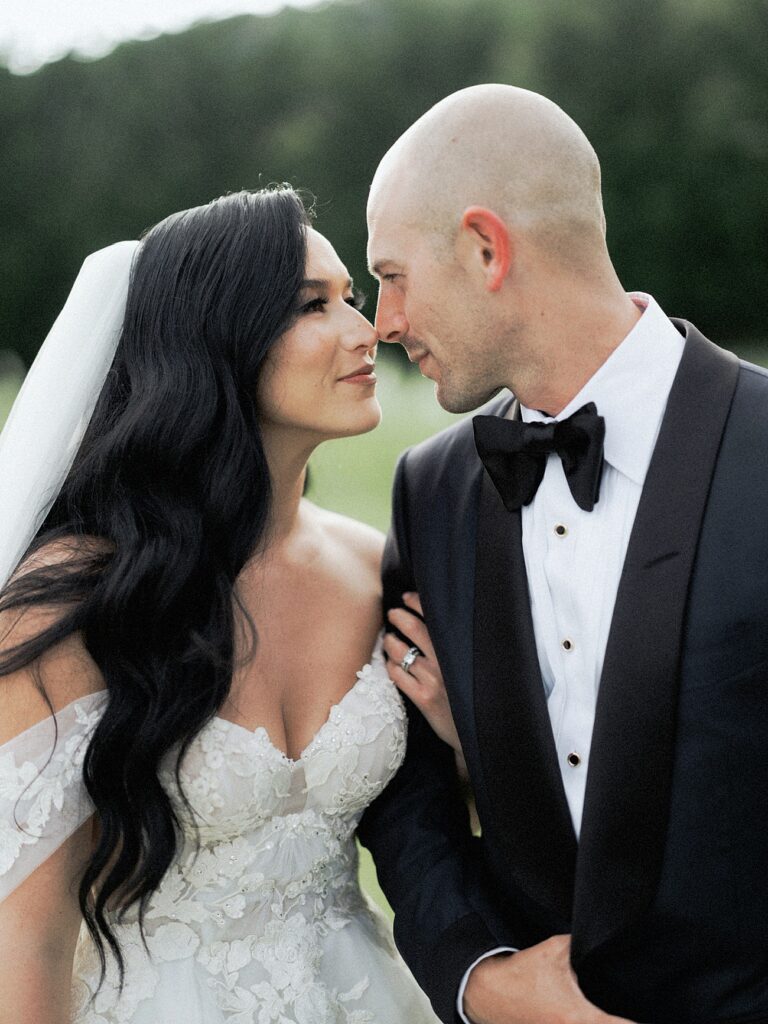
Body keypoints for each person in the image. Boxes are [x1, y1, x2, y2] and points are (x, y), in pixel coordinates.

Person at [358, 84, 768, 1024]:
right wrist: (479, 977)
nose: (382, 321)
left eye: (393, 275)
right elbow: (408, 798)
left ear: (486, 249)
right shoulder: (432, 489)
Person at [0, 187, 441, 1024]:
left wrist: (458, 736)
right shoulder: (71, 604)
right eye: (315, 305)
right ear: (218, 339)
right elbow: (27, 943)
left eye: (351, 297)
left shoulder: (375, 567)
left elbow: (436, 826)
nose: (368, 330)